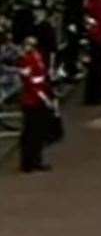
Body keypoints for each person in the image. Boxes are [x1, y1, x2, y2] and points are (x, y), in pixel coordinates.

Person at [17, 36, 54, 172]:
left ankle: (35, 160)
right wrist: (45, 98)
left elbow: (41, 78)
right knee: (31, 133)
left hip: (37, 98)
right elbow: (30, 82)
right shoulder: (26, 60)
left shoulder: (36, 57)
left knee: (37, 132)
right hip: (32, 100)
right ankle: (28, 162)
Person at [59, 0, 86, 82]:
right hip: (72, 21)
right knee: (71, 46)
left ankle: (73, 68)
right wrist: (71, 22)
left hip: (77, 19)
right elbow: (69, 5)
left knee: (75, 45)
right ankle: (70, 71)